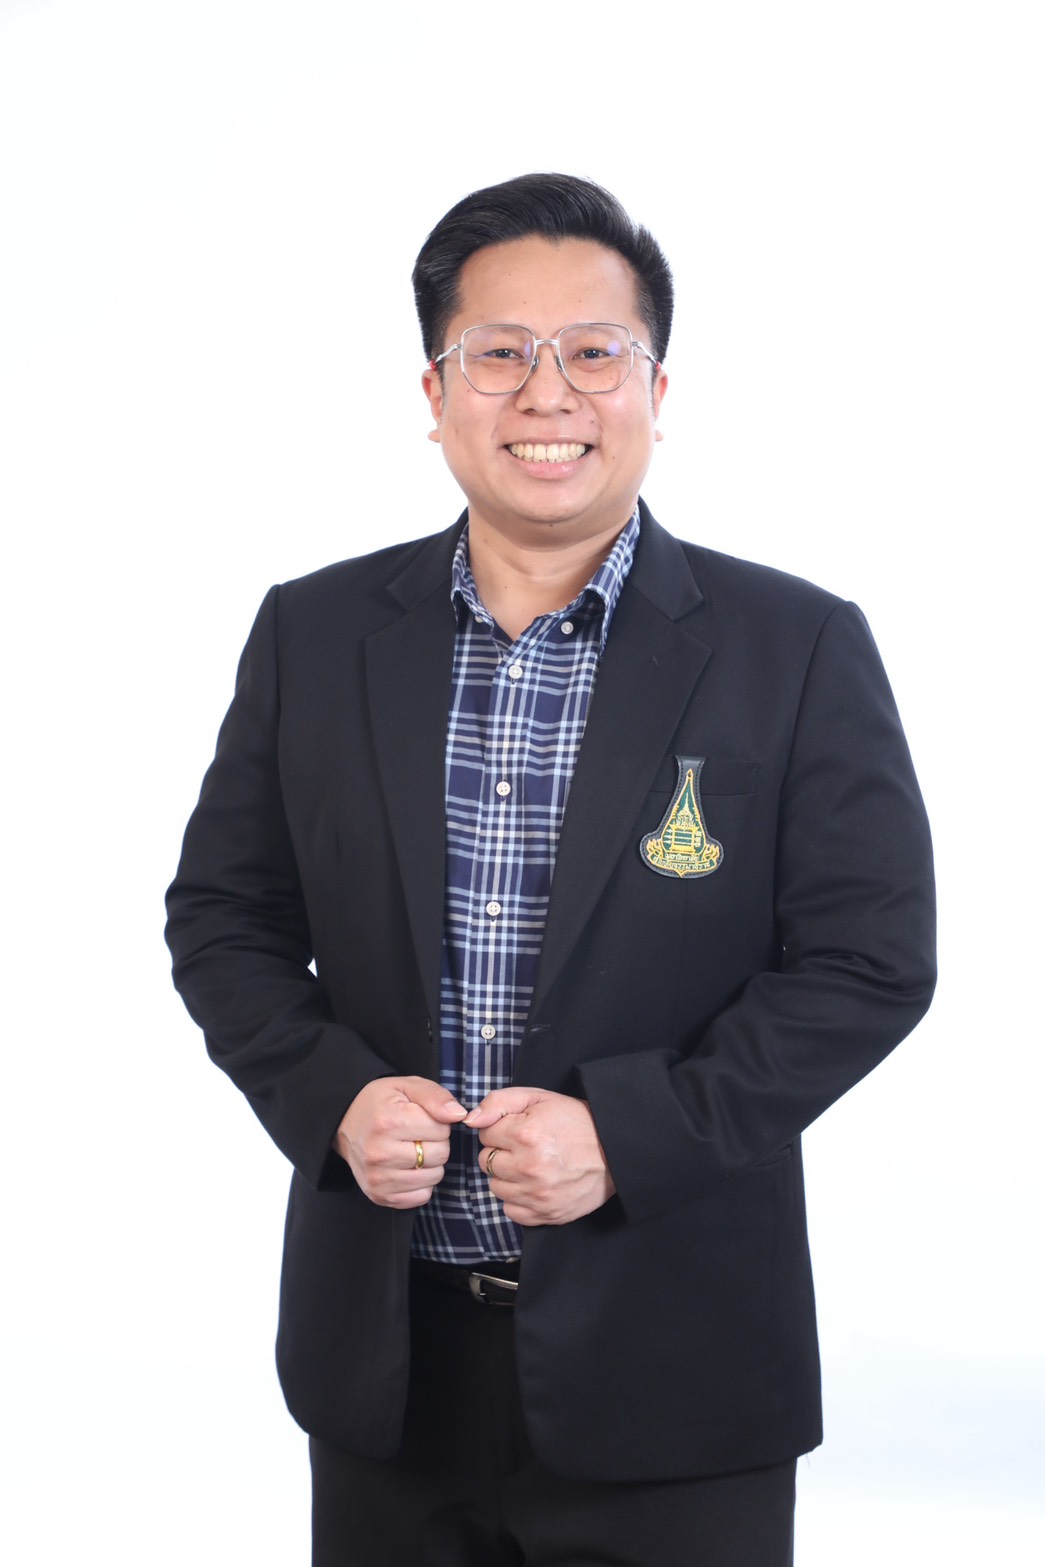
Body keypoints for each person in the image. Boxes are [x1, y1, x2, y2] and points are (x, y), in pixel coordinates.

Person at [165, 173, 936, 1566]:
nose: (547, 393)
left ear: (656, 388)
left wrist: (633, 1136)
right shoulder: (314, 634)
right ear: (434, 389)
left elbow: (867, 964)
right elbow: (225, 917)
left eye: (593, 351)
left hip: (679, 1364)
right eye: (499, 353)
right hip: (389, 1366)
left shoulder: (795, 646)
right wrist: (332, 1100)